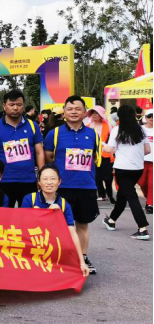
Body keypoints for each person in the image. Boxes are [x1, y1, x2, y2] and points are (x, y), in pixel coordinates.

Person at [44, 95, 101, 274]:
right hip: (62, 187)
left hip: (86, 186)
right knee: (59, 225)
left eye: (78, 109)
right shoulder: (54, 134)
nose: (74, 112)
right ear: (64, 112)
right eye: (70, 109)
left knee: (82, 224)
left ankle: (82, 256)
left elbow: (96, 159)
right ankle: (60, 257)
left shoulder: (93, 134)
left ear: (85, 112)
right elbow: (49, 157)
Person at [21, 165, 90, 277]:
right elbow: (22, 227)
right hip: (33, 243)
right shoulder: (30, 199)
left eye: (53, 179)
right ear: (39, 182)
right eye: (45, 179)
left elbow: (72, 233)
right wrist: (40, 214)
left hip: (54, 245)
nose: (49, 182)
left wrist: (82, 262)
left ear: (59, 181)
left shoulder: (64, 204)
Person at [0, 89, 45, 207]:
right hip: (4, 181)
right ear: (4, 106)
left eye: (19, 104)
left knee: (28, 216)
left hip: (28, 180)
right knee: (3, 216)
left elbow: (39, 152)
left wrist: (42, 177)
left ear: (23, 106)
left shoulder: (33, 126)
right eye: (11, 105)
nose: (15, 108)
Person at [102, 104, 150, 240]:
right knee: (123, 195)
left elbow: (109, 149)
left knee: (131, 197)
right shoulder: (141, 130)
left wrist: (103, 145)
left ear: (120, 116)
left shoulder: (117, 130)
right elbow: (147, 150)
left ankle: (142, 228)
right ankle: (111, 220)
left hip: (122, 168)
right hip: (137, 168)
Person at [86, 105, 116, 203]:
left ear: (101, 115)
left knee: (108, 177)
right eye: (92, 113)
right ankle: (101, 194)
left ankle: (110, 194)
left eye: (97, 113)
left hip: (106, 155)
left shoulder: (108, 126)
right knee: (97, 177)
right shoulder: (87, 126)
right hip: (92, 155)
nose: (94, 115)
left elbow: (113, 141)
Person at [141, 109, 153, 214]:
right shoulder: (140, 129)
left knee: (151, 183)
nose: (152, 118)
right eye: (149, 116)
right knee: (142, 183)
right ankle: (148, 199)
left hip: (153, 161)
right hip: (142, 160)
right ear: (145, 118)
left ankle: (150, 204)